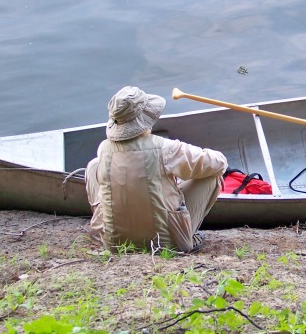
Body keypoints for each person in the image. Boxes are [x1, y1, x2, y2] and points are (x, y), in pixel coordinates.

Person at [85, 86, 227, 253]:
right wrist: (182, 174)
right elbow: (219, 163)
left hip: (115, 243)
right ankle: (188, 236)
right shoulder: (165, 148)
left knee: (94, 165)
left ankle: (107, 230)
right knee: (211, 176)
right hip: (165, 244)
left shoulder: (104, 148)